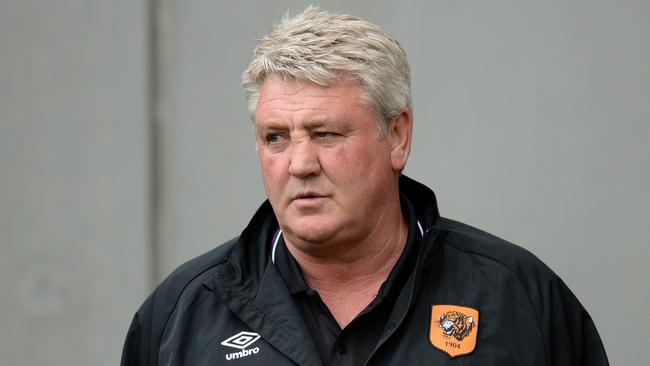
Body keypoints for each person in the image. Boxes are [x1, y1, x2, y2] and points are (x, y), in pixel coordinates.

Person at [121, 6, 608, 366]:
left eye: (325, 134)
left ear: (397, 137)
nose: (299, 164)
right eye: (276, 138)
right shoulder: (181, 315)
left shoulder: (517, 297)